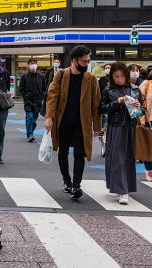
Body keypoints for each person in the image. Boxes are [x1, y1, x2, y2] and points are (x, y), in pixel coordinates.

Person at [45, 45, 101, 199]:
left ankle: (76, 185)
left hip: (81, 123)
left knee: (79, 153)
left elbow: (96, 104)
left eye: (88, 61)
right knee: (62, 151)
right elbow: (52, 97)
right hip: (63, 121)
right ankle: (66, 181)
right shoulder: (61, 74)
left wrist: (97, 126)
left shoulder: (91, 79)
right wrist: (49, 117)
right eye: (84, 61)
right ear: (75, 61)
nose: (87, 64)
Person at [100, 62, 144, 204]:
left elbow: (142, 111)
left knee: (129, 159)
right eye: (116, 76)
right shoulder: (108, 90)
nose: (120, 79)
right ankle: (122, 190)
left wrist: (138, 107)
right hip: (116, 127)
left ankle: (124, 188)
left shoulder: (136, 89)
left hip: (132, 128)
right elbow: (102, 108)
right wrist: (117, 102)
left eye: (123, 76)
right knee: (117, 158)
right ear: (112, 76)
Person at [19, 58, 45, 143]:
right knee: (29, 117)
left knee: (34, 120)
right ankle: (30, 134)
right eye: (31, 63)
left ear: (37, 64)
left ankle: (30, 131)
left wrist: (42, 97)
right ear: (28, 65)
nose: (33, 65)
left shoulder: (41, 76)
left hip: (38, 101)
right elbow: (21, 88)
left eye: (34, 63)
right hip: (28, 101)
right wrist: (25, 97)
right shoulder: (24, 76)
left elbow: (44, 88)